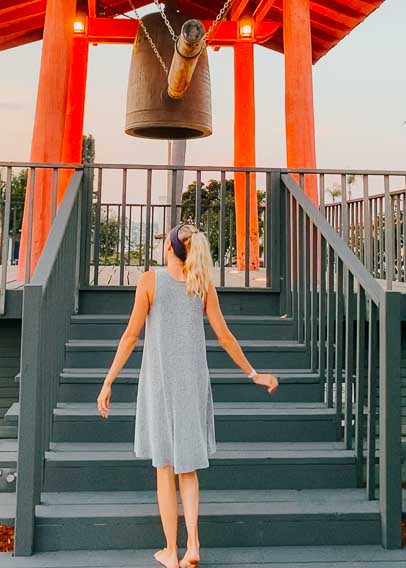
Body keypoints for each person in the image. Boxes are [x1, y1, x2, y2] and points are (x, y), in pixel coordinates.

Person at [97, 222, 279, 568]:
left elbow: (130, 337)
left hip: (160, 384)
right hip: (193, 384)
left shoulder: (150, 282)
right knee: (189, 468)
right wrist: (253, 374)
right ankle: (193, 546)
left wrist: (108, 382)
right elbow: (225, 336)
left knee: (165, 467)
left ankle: (171, 550)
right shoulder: (203, 285)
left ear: (168, 248)